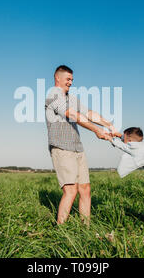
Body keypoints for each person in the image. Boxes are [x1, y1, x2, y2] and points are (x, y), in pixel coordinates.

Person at [45, 65, 116, 225]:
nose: (70, 82)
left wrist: (108, 125)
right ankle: (61, 230)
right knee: (70, 190)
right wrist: (97, 130)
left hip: (77, 147)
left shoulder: (71, 98)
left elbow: (88, 113)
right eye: (68, 79)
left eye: (72, 80)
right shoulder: (53, 94)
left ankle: (86, 229)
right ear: (58, 78)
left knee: (85, 189)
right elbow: (72, 115)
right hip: (62, 147)